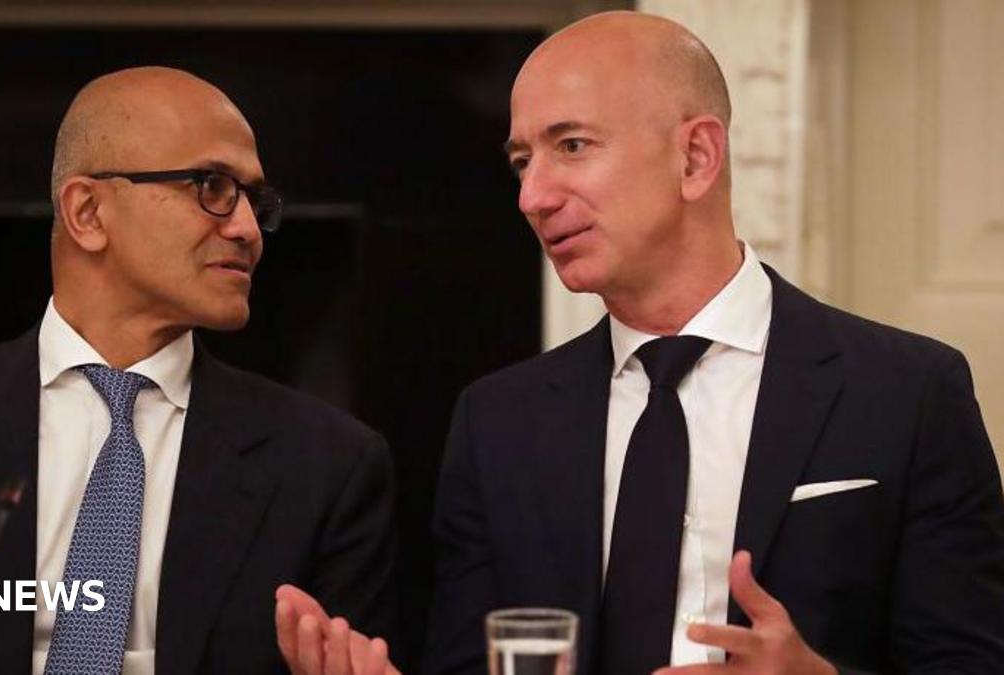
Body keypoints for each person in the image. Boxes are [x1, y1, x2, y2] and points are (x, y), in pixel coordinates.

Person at [275, 11, 1004, 675]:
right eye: (523, 162)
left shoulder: (907, 393)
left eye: (572, 145)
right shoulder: (498, 422)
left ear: (696, 158)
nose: (534, 196)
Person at [0, 66, 396, 675]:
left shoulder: (329, 465)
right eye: (211, 185)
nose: (248, 229)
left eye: (255, 200)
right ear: (88, 212)